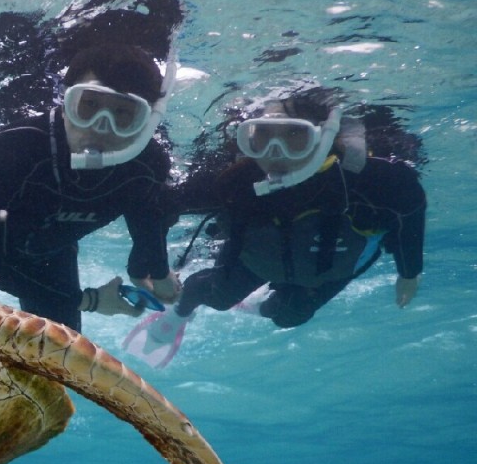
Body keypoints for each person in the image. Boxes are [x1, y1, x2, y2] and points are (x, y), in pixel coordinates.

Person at [0, 41, 182, 332]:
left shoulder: (148, 165)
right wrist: (87, 300)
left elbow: (146, 219)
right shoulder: (15, 148)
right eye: (89, 105)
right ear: (66, 101)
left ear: (147, 121)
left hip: (53, 252)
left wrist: (156, 272)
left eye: (123, 113)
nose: (100, 127)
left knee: (57, 360)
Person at [125, 86, 427, 368]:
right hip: (260, 258)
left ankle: (256, 306)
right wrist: (154, 268)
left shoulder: (371, 182)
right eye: (263, 137)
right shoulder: (235, 181)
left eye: (295, 135)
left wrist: (409, 272)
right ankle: (178, 316)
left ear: (324, 138)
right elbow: (159, 205)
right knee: (217, 297)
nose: (275, 151)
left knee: (291, 316)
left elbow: (411, 208)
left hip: (326, 266)